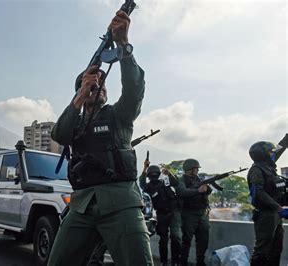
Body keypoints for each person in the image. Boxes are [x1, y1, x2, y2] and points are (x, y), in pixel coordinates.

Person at [48, 10, 152, 266]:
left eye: (102, 84)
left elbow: (134, 89)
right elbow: (59, 134)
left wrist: (123, 46)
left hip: (121, 203)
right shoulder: (75, 122)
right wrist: (81, 94)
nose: (100, 87)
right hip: (82, 205)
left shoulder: (119, 115)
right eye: (93, 85)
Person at [247, 134, 287, 266]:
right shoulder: (256, 170)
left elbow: (280, 148)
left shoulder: (269, 166)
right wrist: (278, 207)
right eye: (270, 151)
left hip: (275, 214)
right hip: (266, 214)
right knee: (262, 251)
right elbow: (258, 192)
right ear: (263, 154)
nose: (273, 153)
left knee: (276, 249)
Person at [139, 160, 182, 266]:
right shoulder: (148, 187)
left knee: (176, 237)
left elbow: (176, 183)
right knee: (163, 240)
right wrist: (145, 168)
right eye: (151, 174)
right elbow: (141, 183)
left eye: (155, 174)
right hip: (161, 214)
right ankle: (164, 262)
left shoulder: (165, 181)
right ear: (149, 175)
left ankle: (175, 261)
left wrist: (169, 174)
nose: (154, 175)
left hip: (173, 212)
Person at [177, 159, 212, 266]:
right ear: (189, 169)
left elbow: (208, 191)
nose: (197, 170)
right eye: (195, 168)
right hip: (189, 213)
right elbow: (182, 192)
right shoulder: (181, 180)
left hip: (202, 213)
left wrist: (207, 188)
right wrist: (198, 190)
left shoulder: (199, 179)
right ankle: (183, 262)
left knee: (203, 239)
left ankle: (200, 262)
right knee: (186, 241)